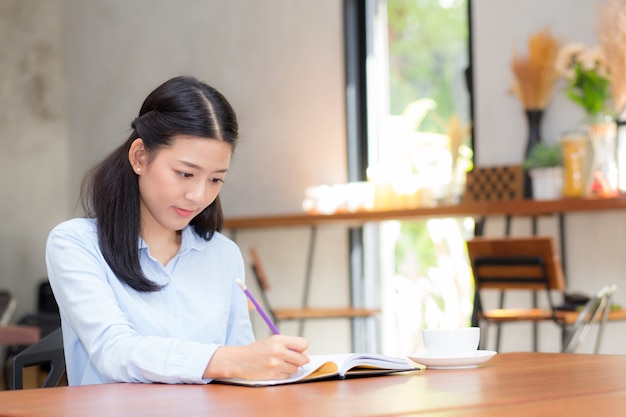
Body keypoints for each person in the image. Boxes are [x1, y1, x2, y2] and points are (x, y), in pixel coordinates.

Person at [45, 75, 310, 386]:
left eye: (215, 179)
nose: (198, 195)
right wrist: (229, 360)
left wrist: (266, 366)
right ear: (140, 156)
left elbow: (241, 371)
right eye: (185, 173)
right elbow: (114, 351)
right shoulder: (76, 245)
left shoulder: (223, 255)